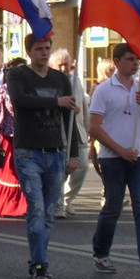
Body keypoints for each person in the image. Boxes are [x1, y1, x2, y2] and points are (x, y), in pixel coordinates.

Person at [87, 44, 140, 279]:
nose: (135, 64)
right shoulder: (104, 90)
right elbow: (94, 127)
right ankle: (101, 252)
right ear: (117, 62)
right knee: (113, 207)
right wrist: (119, 150)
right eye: (129, 60)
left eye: (137, 60)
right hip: (113, 158)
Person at [7, 34, 81, 279]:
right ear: (29, 52)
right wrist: (55, 101)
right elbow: (19, 101)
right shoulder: (18, 75)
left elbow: (68, 116)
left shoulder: (61, 78)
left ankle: (39, 259)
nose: (44, 53)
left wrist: (73, 153)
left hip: (55, 152)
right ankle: (39, 264)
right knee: (36, 209)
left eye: (47, 48)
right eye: (39, 49)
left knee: (49, 212)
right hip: (28, 151)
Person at [51, 48, 89, 218]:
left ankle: (68, 198)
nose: (63, 68)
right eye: (60, 65)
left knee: (82, 167)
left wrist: (88, 129)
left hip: (78, 131)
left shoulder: (76, 81)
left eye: (66, 65)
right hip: (60, 132)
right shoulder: (51, 81)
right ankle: (58, 204)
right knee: (60, 169)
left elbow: (85, 107)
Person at [0, 79, 26, 217]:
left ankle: (26, 206)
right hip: (8, 138)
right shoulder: (2, 90)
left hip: (27, 138)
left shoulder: (31, 89)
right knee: (11, 175)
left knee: (25, 174)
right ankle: (10, 206)